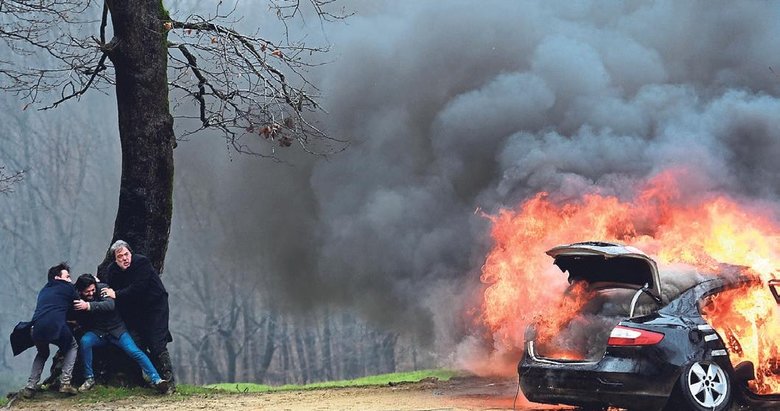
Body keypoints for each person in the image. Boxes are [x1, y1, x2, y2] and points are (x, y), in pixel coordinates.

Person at [72, 274, 169, 393]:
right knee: (85, 342)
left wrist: (88, 306)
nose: (91, 293)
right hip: (98, 332)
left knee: (134, 351)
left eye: (93, 290)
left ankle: (157, 380)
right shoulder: (76, 295)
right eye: (87, 292)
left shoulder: (102, 288)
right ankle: (89, 378)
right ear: (81, 291)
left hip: (117, 330)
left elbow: (109, 305)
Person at [101, 240, 175, 390]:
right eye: (120, 256)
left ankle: (169, 381)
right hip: (133, 311)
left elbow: (138, 289)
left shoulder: (142, 263)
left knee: (157, 343)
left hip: (154, 307)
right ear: (115, 259)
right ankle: (142, 380)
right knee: (135, 343)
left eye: (126, 254)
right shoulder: (112, 271)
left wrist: (116, 294)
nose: (124, 259)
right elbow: (109, 290)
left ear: (131, 253)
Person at [18, 263, 80, 397]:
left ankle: (30, 386)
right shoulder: (67, 287)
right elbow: (78, 305)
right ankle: (65, 383)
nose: (70, 280)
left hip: (35, 328)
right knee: (72, 346)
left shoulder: (43, 290)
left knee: (42, 353)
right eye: (67, 276)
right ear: (57, 278)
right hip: (55, 326)